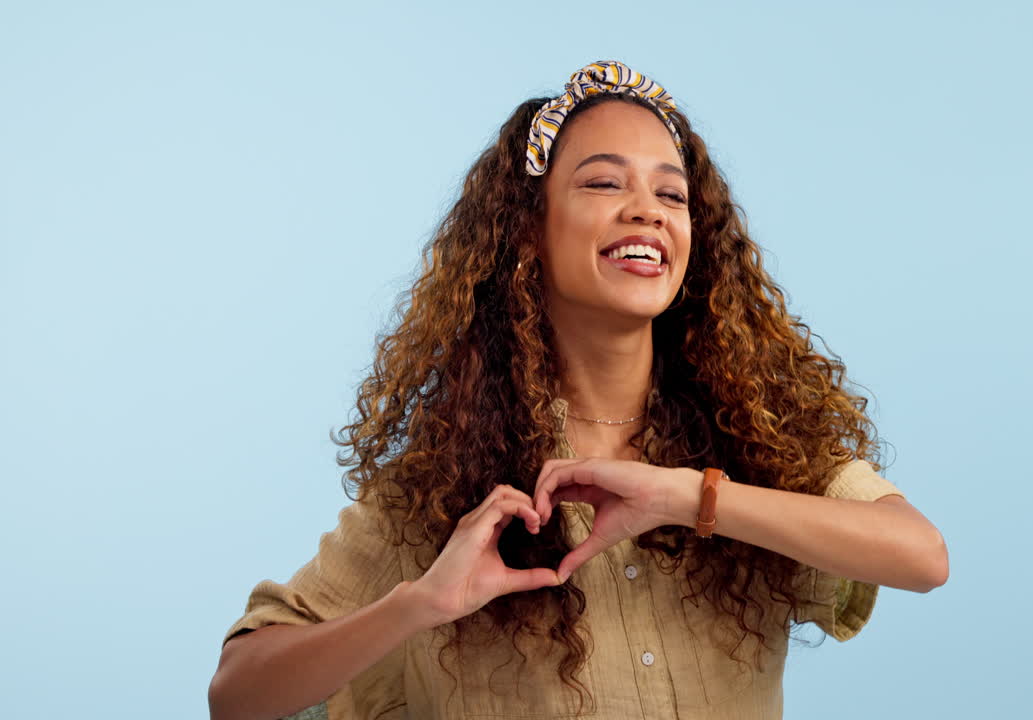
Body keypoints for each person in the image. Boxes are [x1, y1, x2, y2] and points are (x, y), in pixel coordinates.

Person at [207, 60, 948, 720]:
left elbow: (922, 556)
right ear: (527, 231)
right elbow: (236, 696)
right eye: (603, 182)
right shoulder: (439, 491)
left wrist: (688, 496)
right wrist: (418, 605)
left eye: (672, 193)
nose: (647, 209)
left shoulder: (757, 445)